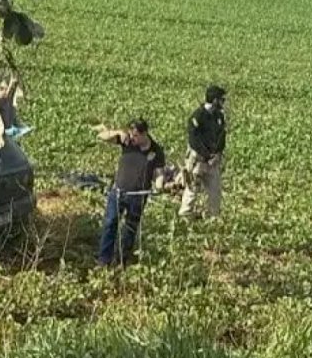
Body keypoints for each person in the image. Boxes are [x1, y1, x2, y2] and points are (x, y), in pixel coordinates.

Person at [95, 118, 166, 267]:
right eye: (130, 134)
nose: (132, 138)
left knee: (130, 229)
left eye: (135, 135)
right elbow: (101, 137)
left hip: (138, 197)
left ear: (144, 133)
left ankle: (122, 260)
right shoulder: (126, 141)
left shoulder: (156, 151)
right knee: (110, 223)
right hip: (118, 192)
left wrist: (159, 185)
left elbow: (159, 172)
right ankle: (104, 259)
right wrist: (117, 132)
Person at [180, 85, 227, 219]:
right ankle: (186, 214)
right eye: (221, 99)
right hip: (198, 160)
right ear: (214, 100)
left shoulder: (219, 116)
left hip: (213, 161)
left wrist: (218, 153)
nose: (223, 102)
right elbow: (193, 139)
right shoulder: (198, 116)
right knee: (192, 188)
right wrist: (206, 155)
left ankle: (213, 216)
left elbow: (222, 136)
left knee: (215, 191)